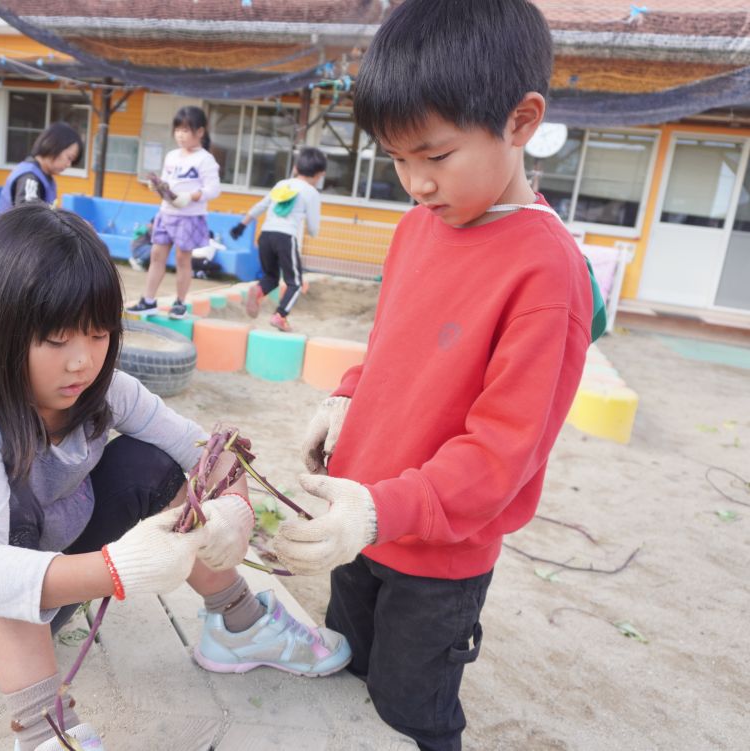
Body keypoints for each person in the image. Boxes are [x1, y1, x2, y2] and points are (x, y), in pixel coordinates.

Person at [0, 204, 350, 751]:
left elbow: (204, 451)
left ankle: (240, 625)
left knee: (154, 463)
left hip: (43, 608)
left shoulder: (105, 390)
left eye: (99, 335)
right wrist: (118, 568)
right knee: (12, 497)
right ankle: (44, 730)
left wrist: (236, 511)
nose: (83, 362)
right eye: (57, 340)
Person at [271, 2, 594, 749]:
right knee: (345, 669)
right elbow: (392, 344)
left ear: (520, 121)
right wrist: (346, 397)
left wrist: (381, 512)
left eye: (435, 155)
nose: (415, 182)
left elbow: (500, 454)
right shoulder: (420, 225)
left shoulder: (546, 272)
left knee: (410, 712)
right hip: (360, 516)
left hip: (436, 555)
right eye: (396, 159)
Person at [126, 106, 221, 319]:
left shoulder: (205, 160)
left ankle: (180, 303)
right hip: (166, 213)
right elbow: (168, 181)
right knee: (156, 255)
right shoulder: (171, 156)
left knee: (182, 259)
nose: (180, 134)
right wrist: (159, 186)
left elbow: (213, 189)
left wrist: (192, 196)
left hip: (189, 216)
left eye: (186, 130)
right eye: (178, 129)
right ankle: (148, 300)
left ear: (200, 132)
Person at [231, 147, 326, 333]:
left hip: (265, 235)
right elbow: (314, 227)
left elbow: (261, 206)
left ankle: (257, 291)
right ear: (320, 174)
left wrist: (241, 226)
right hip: (285, 237)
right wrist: (313, 233)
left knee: (271, 278)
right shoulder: (311, 192)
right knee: (295, 283)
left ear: (296, 167)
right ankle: (280, 315)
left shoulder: (281, 184)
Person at [0, 121, 83, 213]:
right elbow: (29, 217)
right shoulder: (29, 177)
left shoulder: (45, 176)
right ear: (54, 146)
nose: (68, 164)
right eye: (69, 158)